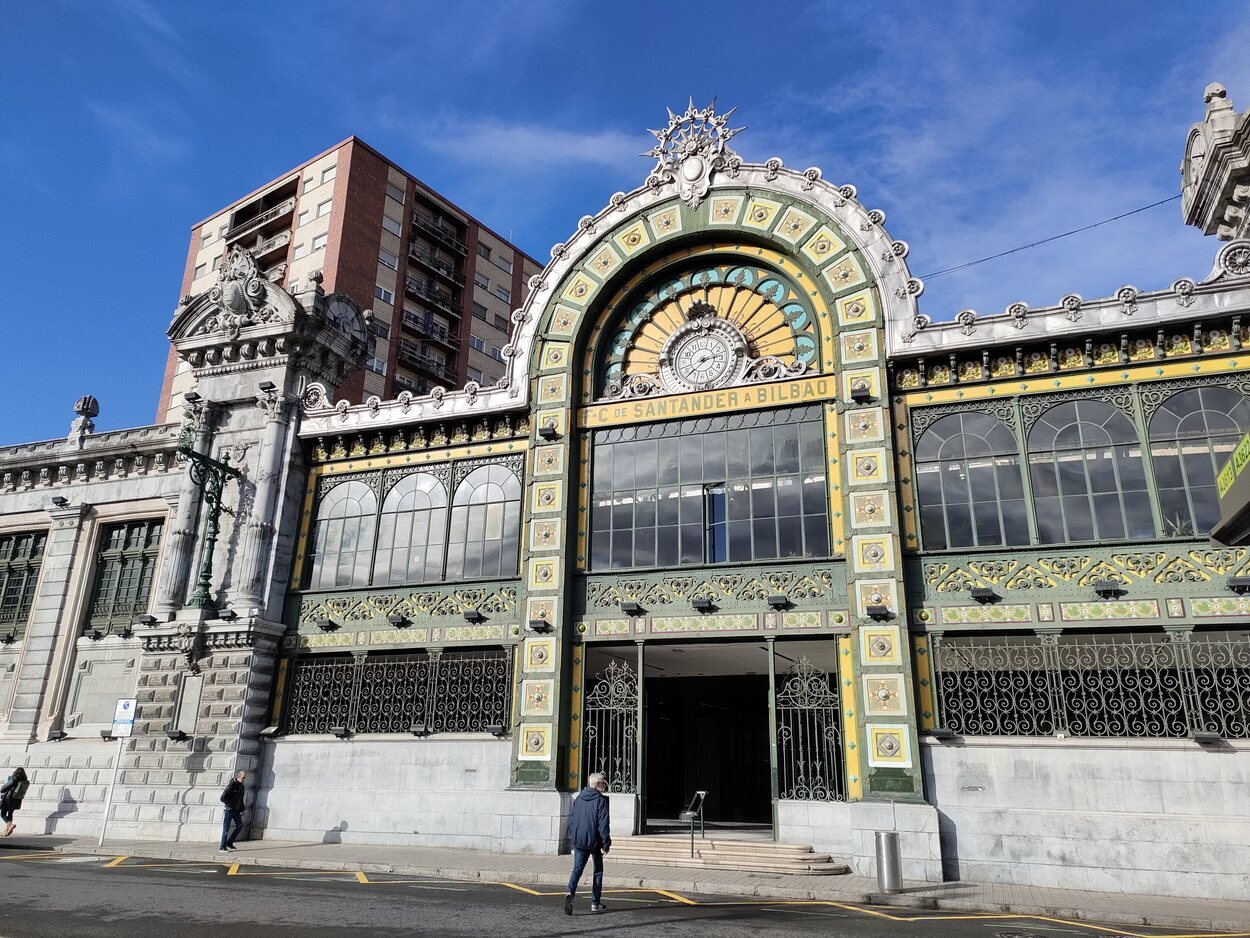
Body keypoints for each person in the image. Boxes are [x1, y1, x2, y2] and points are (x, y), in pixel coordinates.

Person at [564, 771, 611, 915]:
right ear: (597, 784)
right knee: (598, 871)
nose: (604, 785)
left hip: (579, 841)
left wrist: (573, 836)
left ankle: (570, 893)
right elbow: (603, 825)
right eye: (603, 782)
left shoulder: (579, 798)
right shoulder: (601, 800)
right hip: (595, 842)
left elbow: (572, 819)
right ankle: (595, 903)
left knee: (577, 870)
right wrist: (606, 844)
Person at [218, 769, 247, 851]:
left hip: (236, 810)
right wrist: (230, 804)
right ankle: (222, 847)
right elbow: (222, 798)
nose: (244, 780)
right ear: (238, 777)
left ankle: (229, 843)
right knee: (226, 828)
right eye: (243, 778)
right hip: (229, 809)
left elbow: (241, 799)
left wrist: (242, 809)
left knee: (239, 825)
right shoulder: (231, 785)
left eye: (245, 778)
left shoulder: (242, 786)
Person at [1, 767, 29, 837]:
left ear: (16, 772)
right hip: (16, 800)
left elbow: (3, 788)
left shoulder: (14, 779)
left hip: (8, 799)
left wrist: (3, 787)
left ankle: (11, 825)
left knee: (3, 814)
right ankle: (7, 830)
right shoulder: (24, 781)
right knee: (10, 814)